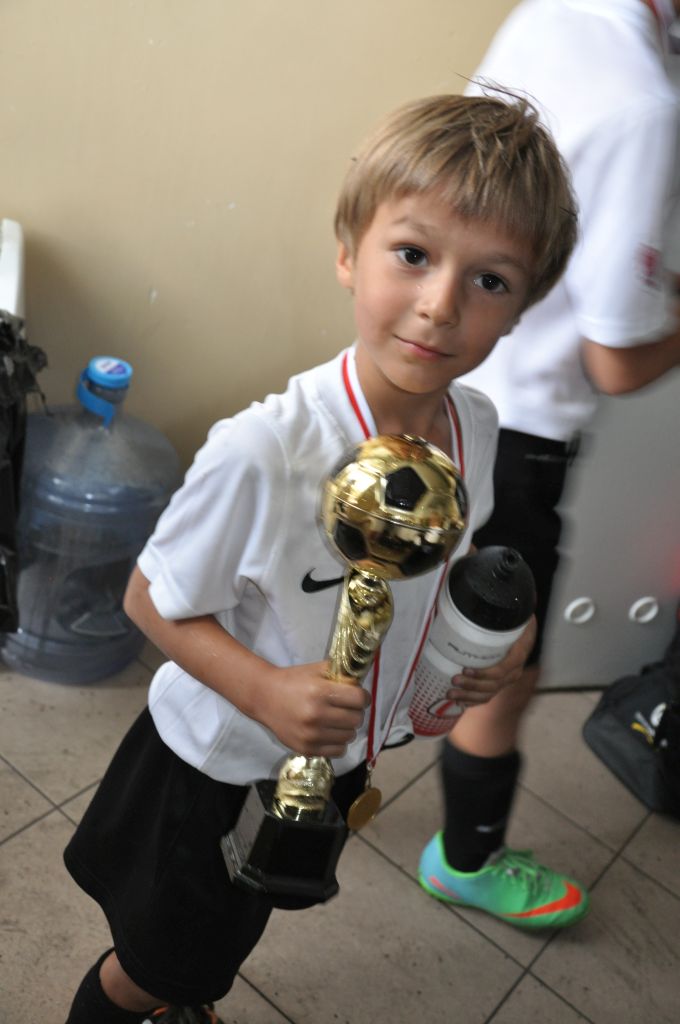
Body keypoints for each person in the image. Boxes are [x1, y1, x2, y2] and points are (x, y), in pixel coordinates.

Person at [62, 91, 578, 1024]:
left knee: (221, 940)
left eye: (490, 280)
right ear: (349, 252)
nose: (440, 305)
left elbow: (443, 572)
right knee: (154, 965)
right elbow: (149, 598)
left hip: (328, 766)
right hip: (215, 769)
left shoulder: (476, 427)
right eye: (413, 255)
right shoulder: (265, 451)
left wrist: (486, 649)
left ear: (522, 310)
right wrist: (264, 690)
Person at [418, 0, 680, 930]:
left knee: (382, 607)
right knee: (506, 664)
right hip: (517, 433)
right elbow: (616, 362)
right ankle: (467, 861)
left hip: (428, 375)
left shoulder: (552, 12)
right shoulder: (646, 100)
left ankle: (298, 790)